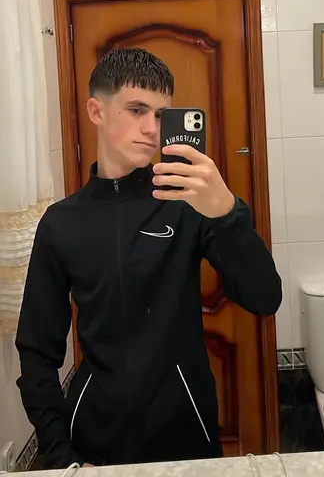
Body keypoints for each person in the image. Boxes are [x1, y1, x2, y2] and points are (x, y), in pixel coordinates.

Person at [15, 48, 282, 470]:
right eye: (137, 110)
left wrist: (228, 213)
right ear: (97, 111)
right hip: (93, 440)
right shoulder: (61, 223)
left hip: (186, 431)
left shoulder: (189, 204)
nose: (152, 129)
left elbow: (265, 297)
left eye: (161, 115)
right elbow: (36, 351)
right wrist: (60, 452)